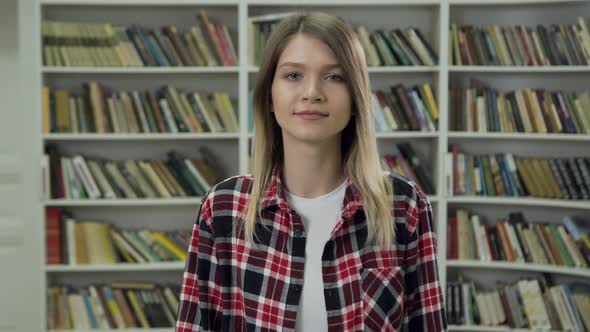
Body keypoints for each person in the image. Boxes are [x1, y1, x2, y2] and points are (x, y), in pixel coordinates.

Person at [176, 11, 446, 332]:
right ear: (270, 97)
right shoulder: (223, 208)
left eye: (334, 77)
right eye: (293, 76)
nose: (312, 92)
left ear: (356, 98)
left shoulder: (404, 206)